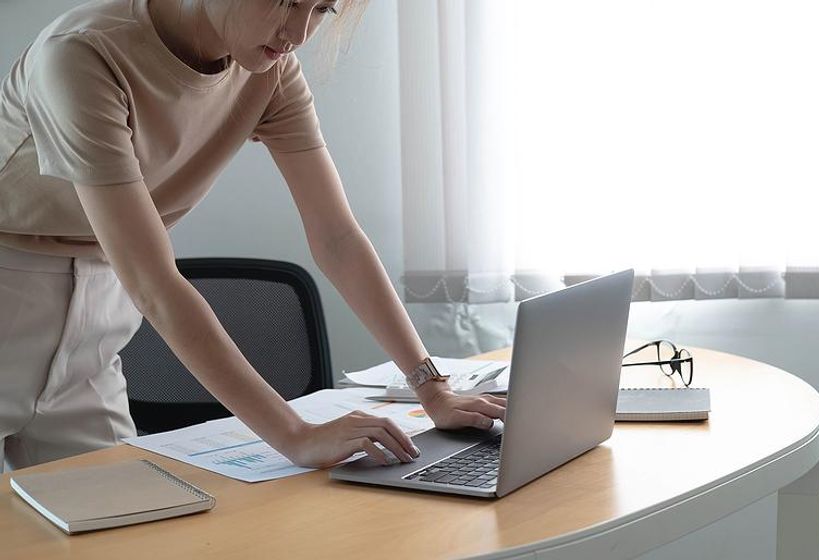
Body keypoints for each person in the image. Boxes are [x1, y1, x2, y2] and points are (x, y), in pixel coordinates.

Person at [0, 0, 506, 472]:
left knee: (107, 530)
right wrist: (295, 434)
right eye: (287, 1)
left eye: (321, 8)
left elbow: (338, 238)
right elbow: (153, 282)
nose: (300, 32)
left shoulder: (270, 71)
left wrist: (432, 389)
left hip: (98, 318)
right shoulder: (81, 55)